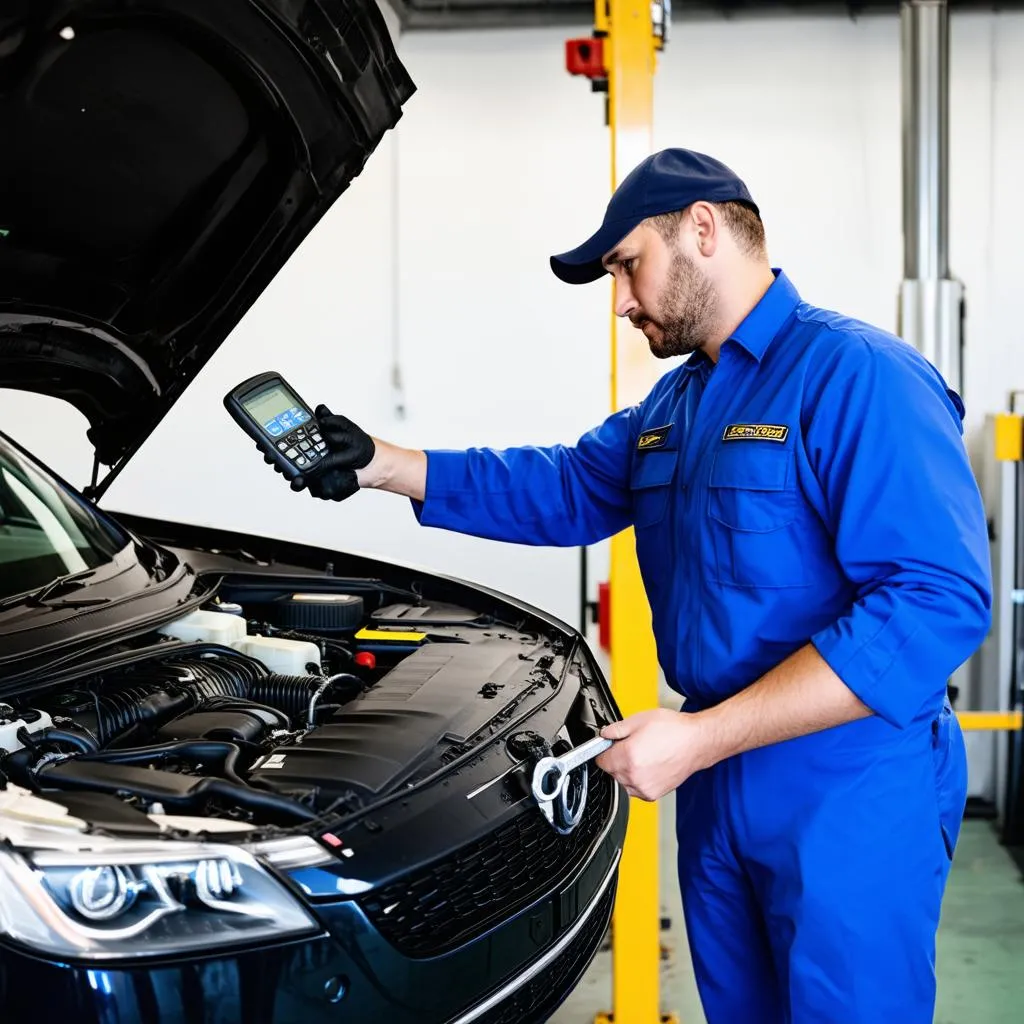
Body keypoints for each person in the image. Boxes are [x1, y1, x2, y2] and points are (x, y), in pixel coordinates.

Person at [266, 149, 992, 1023]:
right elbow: (569, 485)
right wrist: (385, 466)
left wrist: (703, 737)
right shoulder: (677, 405)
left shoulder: (859, 377)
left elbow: (936, 599)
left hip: (849, 781)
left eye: (625, 265)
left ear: (702, 228)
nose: (620, 301)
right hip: (718, 774)